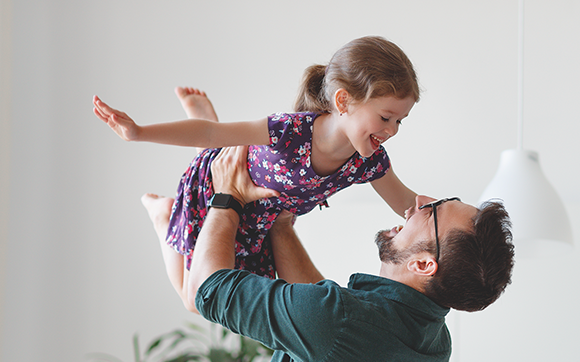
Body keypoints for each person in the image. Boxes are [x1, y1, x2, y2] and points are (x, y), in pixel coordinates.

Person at [188, 145, 515, 362]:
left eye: (433, 210)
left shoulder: (341, 322)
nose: (420, 200)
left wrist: (227, 197)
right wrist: (280, 227)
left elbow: (206, 290)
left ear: (423, 264)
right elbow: (324, 324)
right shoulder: (432, 345)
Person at [93, 36, 420, 312]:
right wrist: (138, 132)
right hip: (217, 192)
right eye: (386, 117)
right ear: (344, 101)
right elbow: (208, 133)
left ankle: (207, 137)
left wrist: (466, 218)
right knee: (195, 301)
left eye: (400, 121)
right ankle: (163, 215)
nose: (392, 131)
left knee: (220, 299)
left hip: (259, 223)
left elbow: (408, 203)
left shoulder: (369, 161)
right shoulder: (290, 131)